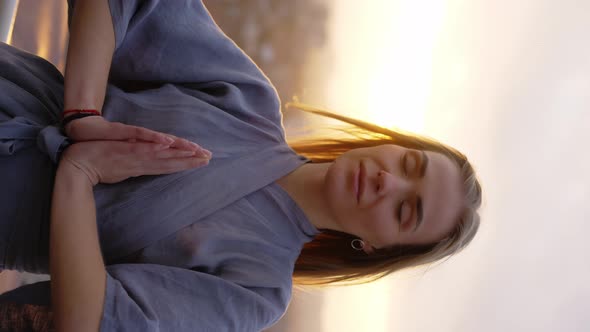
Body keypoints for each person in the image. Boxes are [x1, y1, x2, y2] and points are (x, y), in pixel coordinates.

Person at [0, 0, 482, 331]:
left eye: (405, 210)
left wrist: (78, 177)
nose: (388, 181)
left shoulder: (257, 289)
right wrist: (82, 116)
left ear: (374, 247)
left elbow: (90, 320)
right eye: (409, 165)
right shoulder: (247, 100)